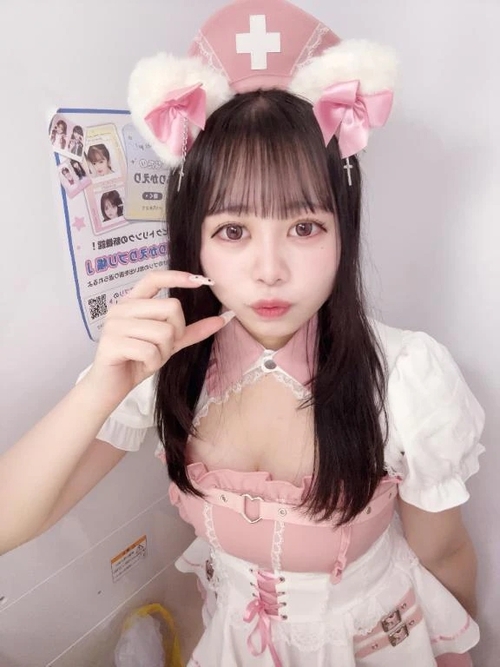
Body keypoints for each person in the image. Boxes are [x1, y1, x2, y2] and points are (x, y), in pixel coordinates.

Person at [0, 2, 485, 666]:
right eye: (233, 231)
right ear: (193, 239)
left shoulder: (405, 378)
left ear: (343, 230)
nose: (269, 269)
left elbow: (444, 550)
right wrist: (102, 388)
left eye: (304, 227)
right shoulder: (168, 366)